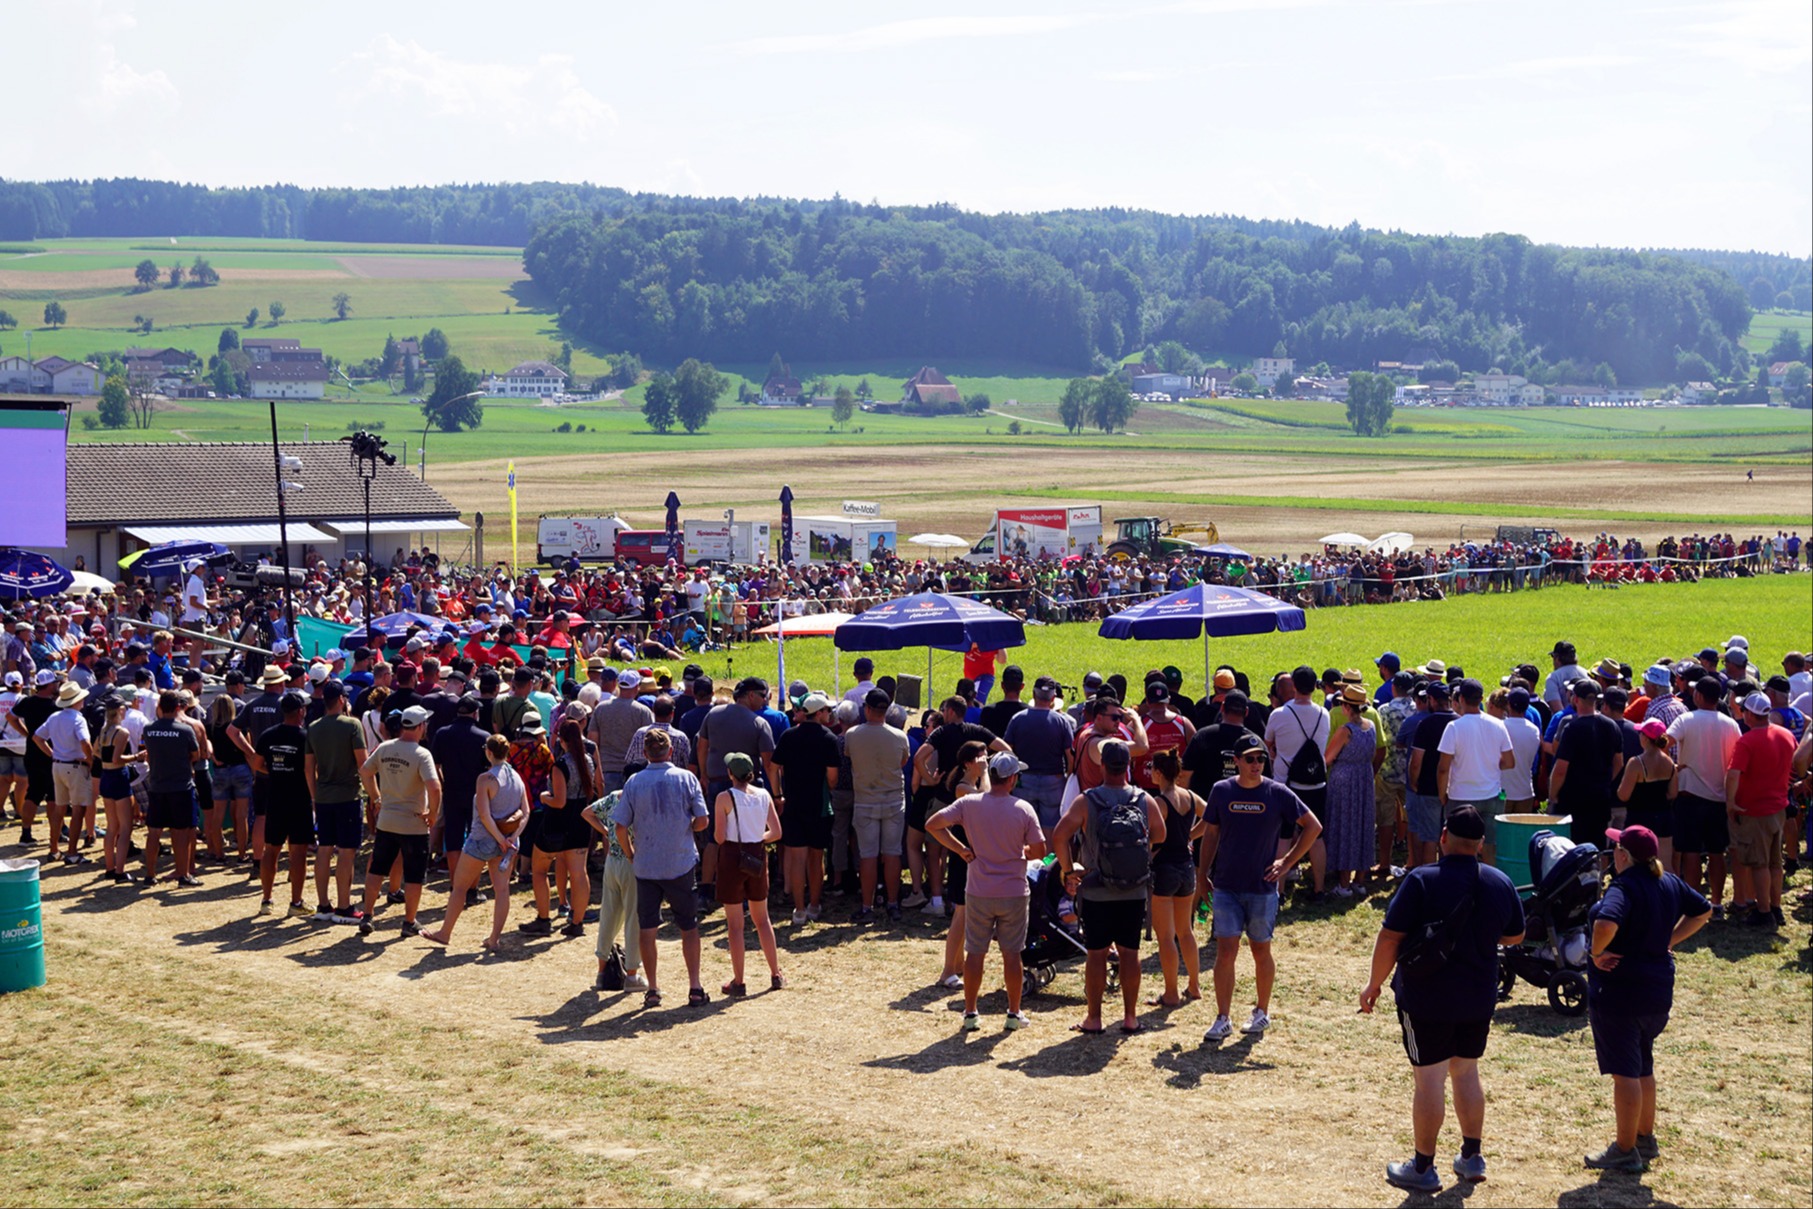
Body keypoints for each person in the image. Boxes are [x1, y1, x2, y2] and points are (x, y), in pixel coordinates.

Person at [1361, 806, 1525, 1193]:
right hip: (1477, 998)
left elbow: (1390, 938)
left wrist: (1374, 984)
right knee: (1466, 1072)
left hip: (1426, 998)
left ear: (1444, 837)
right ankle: (1471, 1156)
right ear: (1481, 844)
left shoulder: (1421, 880)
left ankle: (1422, 1168)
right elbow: (1515, 936)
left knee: (1429, 1079)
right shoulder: (1500, 882)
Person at [1582, 824, 1712, 1173]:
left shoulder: (1623, 888)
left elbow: (1605, 922)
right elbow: (1703, 911)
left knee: (1625, 1072)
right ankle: (1644, 1137)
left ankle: (1625, 1149)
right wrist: (1669, 940)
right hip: (1656, 994)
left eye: (1616, 849)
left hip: (1622, 996)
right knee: (1643, 1065)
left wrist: (1596, 953)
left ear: (1624, 855)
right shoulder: (1668, 881)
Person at [1197, 733, 1322, 1042]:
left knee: (1260, 950)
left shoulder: (1277, 792)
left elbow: (1313, 826)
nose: (1256, 764)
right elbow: (1210, 835)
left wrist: (1288, 862)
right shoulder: (1221, 791)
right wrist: (1202, 875)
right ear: (1236, 761)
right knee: (1225, 951)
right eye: (1250, 759)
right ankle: (1222, 1017)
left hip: (1262, 887)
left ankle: (1261, 1012)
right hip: (1226, 885)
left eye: (1261, 759)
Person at [1051, 739, 1166, 1035]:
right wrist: (1140, 855)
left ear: (1102, 766)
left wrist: (1068, 870)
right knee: (1130, 953)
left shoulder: (1087, 800)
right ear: (1128, 766)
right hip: (1134, 889)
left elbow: (1060, 835)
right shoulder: (1143, 798)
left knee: (1096, 954)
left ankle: (1094, 1017)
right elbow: (1161, 834)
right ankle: (1130, 1017)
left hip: (1096, 889)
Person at [925, 751, 1046, 1031]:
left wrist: (961, 849)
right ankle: (1013, 1013)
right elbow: (1039, 850)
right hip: (1014, 891)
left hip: (979, 891)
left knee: (975, 953)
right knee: (1012, 954)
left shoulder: (969, 803)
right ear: (1013, 778)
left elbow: (933, 825)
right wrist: (1020, 852)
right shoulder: (1023, 808)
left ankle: (970, 1013)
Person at [611, 728, 711, 1008]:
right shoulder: (686, 778)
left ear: (645, 754)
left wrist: (631, 854)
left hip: (646, 865)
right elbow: (703, 820)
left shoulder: (634, 782)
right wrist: (687, 829)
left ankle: (653, 988)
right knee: (689, 926)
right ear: (670, 752)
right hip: (680, 862)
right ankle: (694, 986)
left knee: (648, 928)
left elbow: (620, 826)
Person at [422, 733, 529, 953]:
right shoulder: (516, 777)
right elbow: (525, 812)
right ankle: (494, 939)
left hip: (481, 841)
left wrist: (500, 840)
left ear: (489, 753)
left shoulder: (485, 779)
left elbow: (484, 815)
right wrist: (509, 839)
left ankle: (445, 933)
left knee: (459, 887)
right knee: (502, 890)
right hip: (507, 842)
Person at [359, 705, 442, 937]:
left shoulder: (385, 748)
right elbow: (435, 788)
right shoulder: (421, 754)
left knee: (378, 868)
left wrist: (376, 797)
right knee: (414, 874)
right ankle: (409, 921)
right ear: (420, 727)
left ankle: (367, 914)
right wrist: (433, 813)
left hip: (387, 820)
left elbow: (365, 771)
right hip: (414, 824)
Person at [714, 751, 785, 996]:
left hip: (733, 856)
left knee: (735, 924)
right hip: (756, 854)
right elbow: (776, 832)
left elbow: (719, 837)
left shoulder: (724, 797)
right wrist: (757, 839)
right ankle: (776, 973)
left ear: (730, 774)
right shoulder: (764, 795)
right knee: (762, 919)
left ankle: (739, 980)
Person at [1667, 678, 1739, 915]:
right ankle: (1716, 903)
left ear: (1698, 695)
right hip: (1719, 796)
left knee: (1691, 852)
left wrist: (1670, 766)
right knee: (1717, 853)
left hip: (1690, 796)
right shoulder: (1731, 724)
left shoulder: (1687, 719)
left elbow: (1664, 741)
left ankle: (1693, 904)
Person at [521, 717, 596, 938]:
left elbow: (559, 801)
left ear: (562, 741)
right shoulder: (588, 760)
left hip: (557, 824)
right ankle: (577, 922)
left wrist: (544, 797)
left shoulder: (560, 765)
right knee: (579, 873)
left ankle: (543, 919)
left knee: (540, 870)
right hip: (581, 822)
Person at [1725, 692, 1795, 929]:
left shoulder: (1747, 741)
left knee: (1759, 863)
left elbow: (1733, 774)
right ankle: (1776, 908)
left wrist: (1730, 802)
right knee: (1776, 863)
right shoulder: (1785, 734)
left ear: (1750, 714)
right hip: (1778, 808)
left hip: (1755, 810)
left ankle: (1763, 911)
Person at [843, 688, 911, 923]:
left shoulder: (852, 734)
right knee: (893, 854)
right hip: (893, 800)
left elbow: (849, 754)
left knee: (868, 856)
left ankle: (867, 906)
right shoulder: (899, 736)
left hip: (865, 801)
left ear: (868, 709)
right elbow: (903, 761)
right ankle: (892, 904)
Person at [771, 691, 839, 925]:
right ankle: (814, 905)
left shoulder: (788, 736)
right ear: (818, 713)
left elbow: (773, 767)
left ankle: (799, 910)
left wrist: (778, 794)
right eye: (827, 710)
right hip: (819, 806)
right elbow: (832, 778)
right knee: (816, 858)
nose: (830, 714)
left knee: (797, 858)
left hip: (793, 804)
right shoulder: (829, 738)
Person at [1145, 750, 1205, 1006]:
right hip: (1186, 867)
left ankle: (1171, 992)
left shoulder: (1159, 802)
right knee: (1186, 932)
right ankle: (1194, 985)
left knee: (1166, 936)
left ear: (1159, 773)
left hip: (1165, 870)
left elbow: (1150, 839)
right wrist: (1190, 836)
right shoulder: (1190, 797)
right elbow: (1212, 816)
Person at [1265, 666, 1330, 896]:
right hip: (1317, 783)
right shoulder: (1325, 713)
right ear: (1315, 687)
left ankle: (1279, 889)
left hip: (1286, 783)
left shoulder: (1279, 714)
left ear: (1294, 686)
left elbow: (1268, 743)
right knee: (1316, 836)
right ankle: (1319, 888)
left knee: (1283, 836)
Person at [304, 681, 367, 923]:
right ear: (341, 699)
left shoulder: (313, 727)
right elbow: (362, 764)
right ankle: (344, 906)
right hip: (348, 797)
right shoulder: (352, 725)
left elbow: (309, 769)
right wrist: (373, 793)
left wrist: (314, 796)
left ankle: (323, 905)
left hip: (323, 797)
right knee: (347, 852)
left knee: (324, 848)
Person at [1436, 679, 1514, 864]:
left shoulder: (1454, 727)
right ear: (1480, 699)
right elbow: (1510, 762)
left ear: (1461, 698)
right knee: (1490, 846)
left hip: (1460, 796)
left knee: (1455, 845)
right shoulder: (1498, 725)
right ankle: (1486, 882)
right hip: (1491, 796)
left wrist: (1442, 794)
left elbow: (1443, 768)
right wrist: (1493, 765)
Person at [251, 692, 314, 916]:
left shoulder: (268, 735)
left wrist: (274, 771)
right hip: (299, 799)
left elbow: (256, 763)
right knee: (298, 852)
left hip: (275, 797)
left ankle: (266, 900)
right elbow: (310, 770)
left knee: (271, 850)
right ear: (300, 712)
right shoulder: (305, 737)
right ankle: (295, 902)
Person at [138, 690, 205, 888]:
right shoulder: (185, 730)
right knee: (181, 833)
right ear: (178, 707)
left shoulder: (149, 729)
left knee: (154, 832)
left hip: (157, 786)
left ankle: (150, 874)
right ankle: (183, 874)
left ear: (160, 706)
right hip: (181, 786)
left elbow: (147, 752)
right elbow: (196, 755)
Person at [1550, 680, 1625, 846]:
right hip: (1600, 800)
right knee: (1595, 850)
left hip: (1572, 801)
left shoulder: (1571, 728)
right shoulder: (1612, 726)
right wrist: (1604, 781)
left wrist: (1553, 793)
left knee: (1572, 850)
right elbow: (1619, 762)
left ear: (1575, 699)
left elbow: (1561, 769)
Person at [1322, 684, 1378, 897]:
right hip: (1364, 778)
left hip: (1344, 781)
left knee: (1345, 827)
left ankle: (1343, 884)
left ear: (1346, 707)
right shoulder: (1370, 726)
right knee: (1363, 825)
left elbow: (1328, 758)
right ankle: (1359, 880)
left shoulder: (1345, 731)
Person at [1002, 675, 1074, 834]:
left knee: (1024, 829)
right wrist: (1067, 778)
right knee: (1050, 831)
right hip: (1053, 781)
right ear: (1054, 698)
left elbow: (1008, 751)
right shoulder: (1062, 721)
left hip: (1024, 780)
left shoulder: (1017, 719)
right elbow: (1070, 757)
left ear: (1034, 695)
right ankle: (1046, 859)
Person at [36, 680, 95, 867]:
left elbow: (38, 737)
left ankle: (54, 849)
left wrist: (53, 754)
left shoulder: (54, 717)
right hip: (75, 766)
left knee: (59, 808)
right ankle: (72, 852)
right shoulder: (78, 719)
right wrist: (91, 760)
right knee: (78, 809)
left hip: (58, 765)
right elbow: (85, 742)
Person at [93, 693, 143, 883]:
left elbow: (96, 751)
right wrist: (136, 757)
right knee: (125, 828)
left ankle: (109, 868)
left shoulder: (103, 731)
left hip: (106, 776)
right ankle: (120, 871)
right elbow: (117, 758)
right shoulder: (121, 732)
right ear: (120, 710)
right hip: (118, 777)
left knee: (112, 826)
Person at [1616, 719, 1677, 870]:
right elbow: (1672, 793)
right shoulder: (1669, 762)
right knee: (1665, 864)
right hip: (1663, 817)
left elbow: (1623, 795)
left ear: (1645, 738)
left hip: (1639, 818)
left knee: (1636, 864)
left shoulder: (1636, 763)